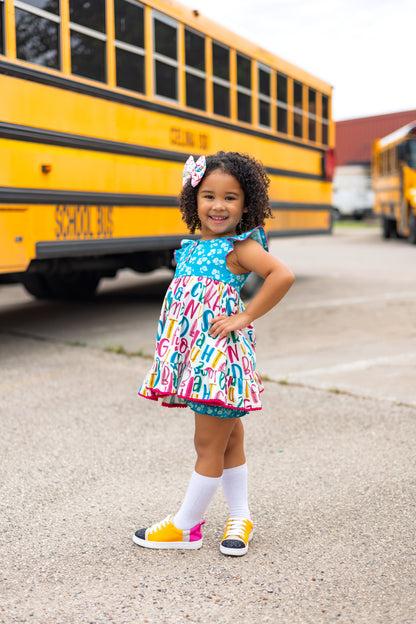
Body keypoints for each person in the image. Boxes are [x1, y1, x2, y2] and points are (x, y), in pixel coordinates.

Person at [134, 151, 295, 556]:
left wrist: (245, 315)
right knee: (229, 439)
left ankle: (185, 526)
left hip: (217, 361)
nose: (218, 206)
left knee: (208, 445)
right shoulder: (191, 249)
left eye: (230, 197)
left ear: (246, 205)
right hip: (198, 358)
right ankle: (240, 515)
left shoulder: (239, 248)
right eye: (208, 196)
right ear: (194, 200)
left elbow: (282, 274)